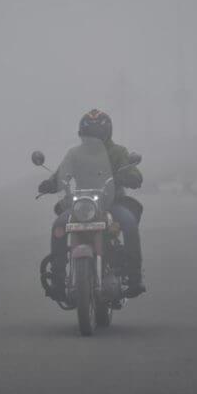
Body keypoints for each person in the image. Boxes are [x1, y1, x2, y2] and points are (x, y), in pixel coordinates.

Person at [38, 109, 146, 299]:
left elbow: (134, 174)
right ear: (82, 134)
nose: (93, 137)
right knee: (58, 226)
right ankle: (57, 281)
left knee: (128, 223)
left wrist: (129, 177)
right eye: (89, 133)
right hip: (80, 205)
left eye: (97, 133)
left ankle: (134, 278)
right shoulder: (74, 153)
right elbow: (61, 173)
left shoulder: (118, 152)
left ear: (107, 134)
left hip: (112, 203)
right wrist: (50, 183)